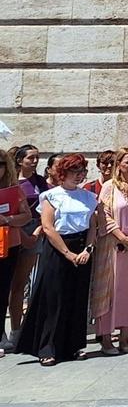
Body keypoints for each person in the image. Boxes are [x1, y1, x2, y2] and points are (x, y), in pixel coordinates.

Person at [15, 155, 98, 366]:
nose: (80, 175)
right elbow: (48, 227)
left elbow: (93, 225)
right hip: (58, 249)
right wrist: (67, 253)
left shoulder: (88, 197)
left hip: (82, 248)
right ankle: (47, 346)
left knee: (77, 297)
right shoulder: (51, 196)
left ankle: (73, 345)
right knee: (54, 298)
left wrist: (88, 249)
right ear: (63, 173)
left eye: (82, 171)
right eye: (75, 171)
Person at [91, 147, 128, 355]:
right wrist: (121, 236)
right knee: (109, 290)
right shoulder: (109, 187)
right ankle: (106, 338)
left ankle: (125, 336)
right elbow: (103, 214)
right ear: (119, 165)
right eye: (127, 162)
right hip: (112, 246)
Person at [9, 144, 48, 341]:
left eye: (37, 157)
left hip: (35, 228)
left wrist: (40, 228)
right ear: (19, 160)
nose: (34, 161)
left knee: (23, 281)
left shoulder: (41, 181)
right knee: (11, 282)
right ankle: (12, 329)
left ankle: (20, 328)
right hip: (14, 230)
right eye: (30, 158)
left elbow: (47, 206)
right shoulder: (12, 182)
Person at [0, 149, 33, 355]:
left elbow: (27, 216)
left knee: (4, 289)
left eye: (1, 164)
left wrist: (8, 220)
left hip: (8, 244)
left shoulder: (13, 190)